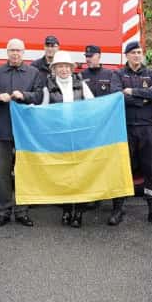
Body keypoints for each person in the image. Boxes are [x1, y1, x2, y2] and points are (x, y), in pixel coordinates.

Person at [0, 38, 43, 227]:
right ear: (7, 52)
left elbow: (40, 96)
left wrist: (24, 96)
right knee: (3, 173)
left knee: (24, 172)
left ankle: (22, 210)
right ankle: (4, 211)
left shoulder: (34, 73)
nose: (15, 54)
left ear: (24, 52)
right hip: (2, 130)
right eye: (12, 50)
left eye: (18, 50)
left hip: (25, 132)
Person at [109, 40, 152, 227]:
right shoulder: (118, 74)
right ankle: (118, 208)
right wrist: (143, 97)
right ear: (126, 55)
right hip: (125, 128)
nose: (137, 55)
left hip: (147, 128)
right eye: (133, 52)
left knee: (151, 169)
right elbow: (117, 95)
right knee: (122, 169)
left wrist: (133, 92)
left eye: (139, 52)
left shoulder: (151, 73)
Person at [44, 52, 92, 228]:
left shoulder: (82, 85)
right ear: (54, 69)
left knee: (79, 174)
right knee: (64, 175)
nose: (63, 69)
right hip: (60, 137)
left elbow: (93, 106)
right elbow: (43, 111)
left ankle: (78, 212)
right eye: (59, 66)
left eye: (66, 66)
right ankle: (66, 210)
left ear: (71, 68)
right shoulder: (47, 87)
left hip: (79, 136)